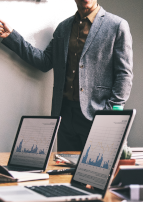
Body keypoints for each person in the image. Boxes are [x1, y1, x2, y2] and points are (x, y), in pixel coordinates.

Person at [0, 0, 133, 151]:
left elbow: (124, 75)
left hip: (98, 115)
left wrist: (109, 113)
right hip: (64, 115)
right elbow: (44, 61)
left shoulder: (117, 25)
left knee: (97, 171)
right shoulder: (63, 28)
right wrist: (11, 37)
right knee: (65, 171)